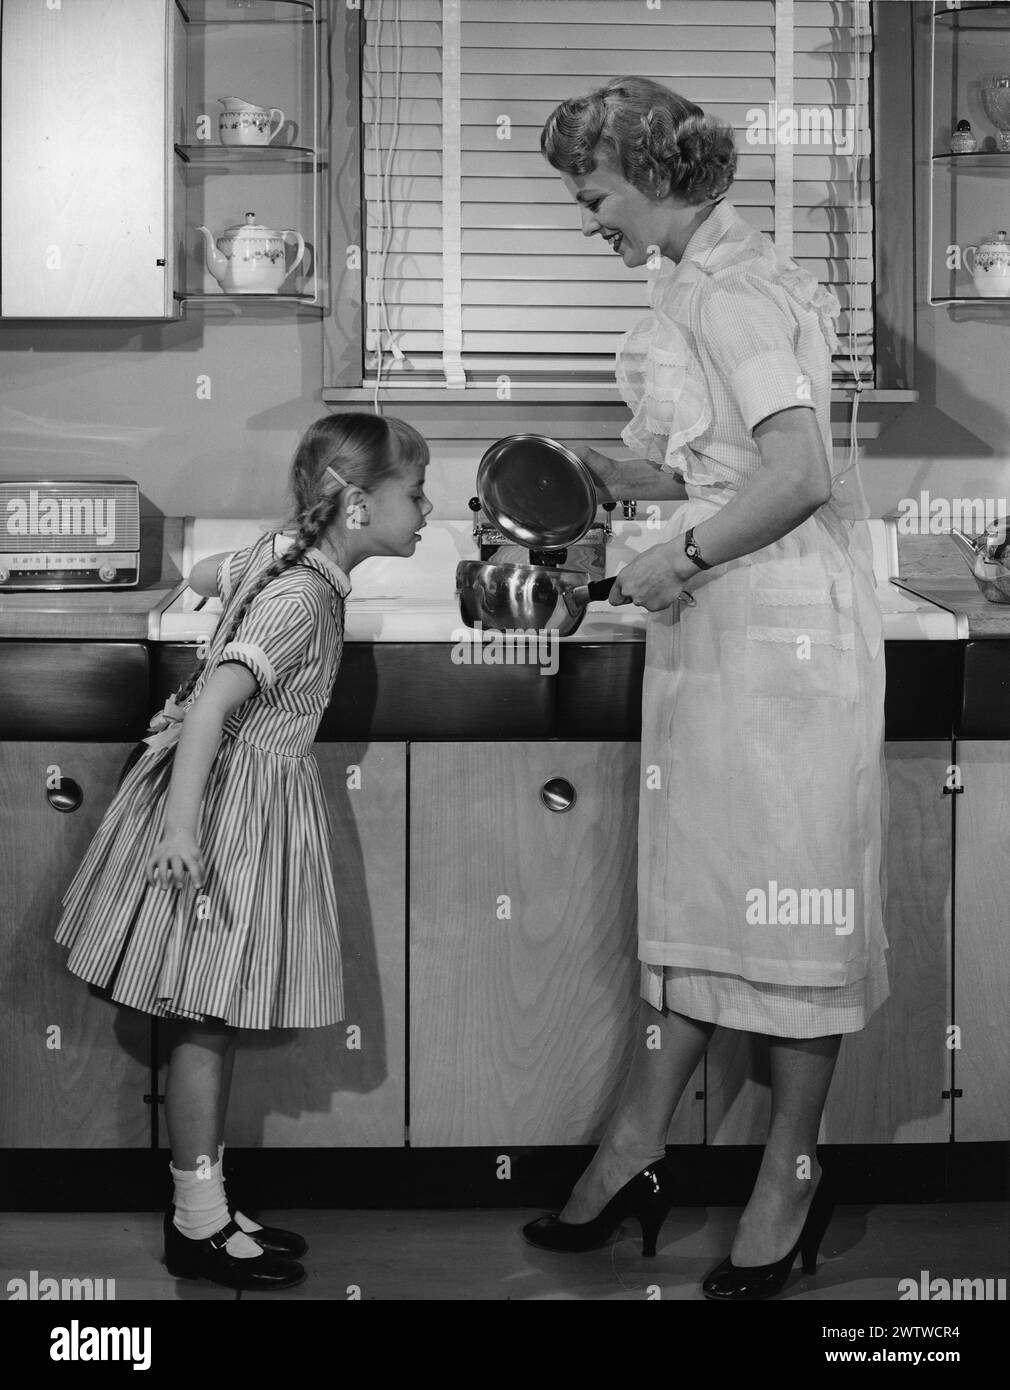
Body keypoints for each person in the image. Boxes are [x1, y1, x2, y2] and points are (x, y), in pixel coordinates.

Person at [522, 77, 888, 1301]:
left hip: (779, 636)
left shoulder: (730, 291)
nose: (589, 221)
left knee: (787, 915)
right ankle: (635, 1146)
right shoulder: (697, 280)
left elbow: (796, 471)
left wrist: (670, 556)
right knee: (712, 898)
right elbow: (719, 455)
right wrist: (587, 475)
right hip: (731, 630)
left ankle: (786, 1170)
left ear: (648, 171)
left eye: (593, 195)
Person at [55, 413, 432, 1291]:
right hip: (229, 813)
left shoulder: (283, 555)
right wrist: (183, 831)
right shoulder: (305, 599)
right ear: (356, 504)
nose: (426, 509)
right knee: (203, 1014)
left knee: (208, 1010)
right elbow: (222, 702)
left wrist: (228, 591)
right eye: (414, 494)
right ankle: (196, 1220)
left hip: (238, 801)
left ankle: (210, 1206)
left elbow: (200, 572)